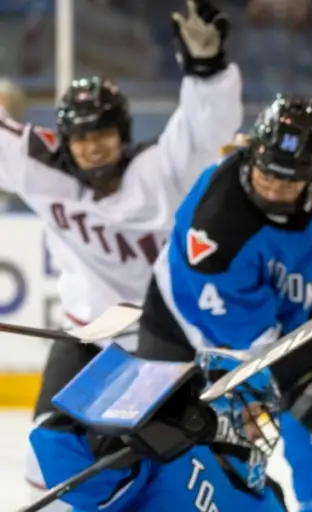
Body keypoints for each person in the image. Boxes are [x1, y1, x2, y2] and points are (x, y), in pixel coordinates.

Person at [15, 1, 243, 509]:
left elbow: (206, 126)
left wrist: (207, 71)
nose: (93, 147)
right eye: (81, 137)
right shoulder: (44, 175)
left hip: (159, 346)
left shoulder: (161, 170)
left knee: (156, 463)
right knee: (45, 457)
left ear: (122, 133)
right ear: (65, 141)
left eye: (103, 133)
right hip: (83, 342)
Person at [135, 94, 312, 512]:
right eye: (266, 175)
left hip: (291, 314)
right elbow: (260, 348)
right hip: (186, 328)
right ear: (252, 152)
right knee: (180, 452)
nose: (273, 188)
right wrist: (304, 394)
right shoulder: (217, 231)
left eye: (289, 181)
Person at [28, 344, 288, 511]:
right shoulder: (156, 455)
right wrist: (116, 438)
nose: (258, 433)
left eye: (264, 421)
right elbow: (57, 449)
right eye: (251, 417)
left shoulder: (271, 500)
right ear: (218, 410)